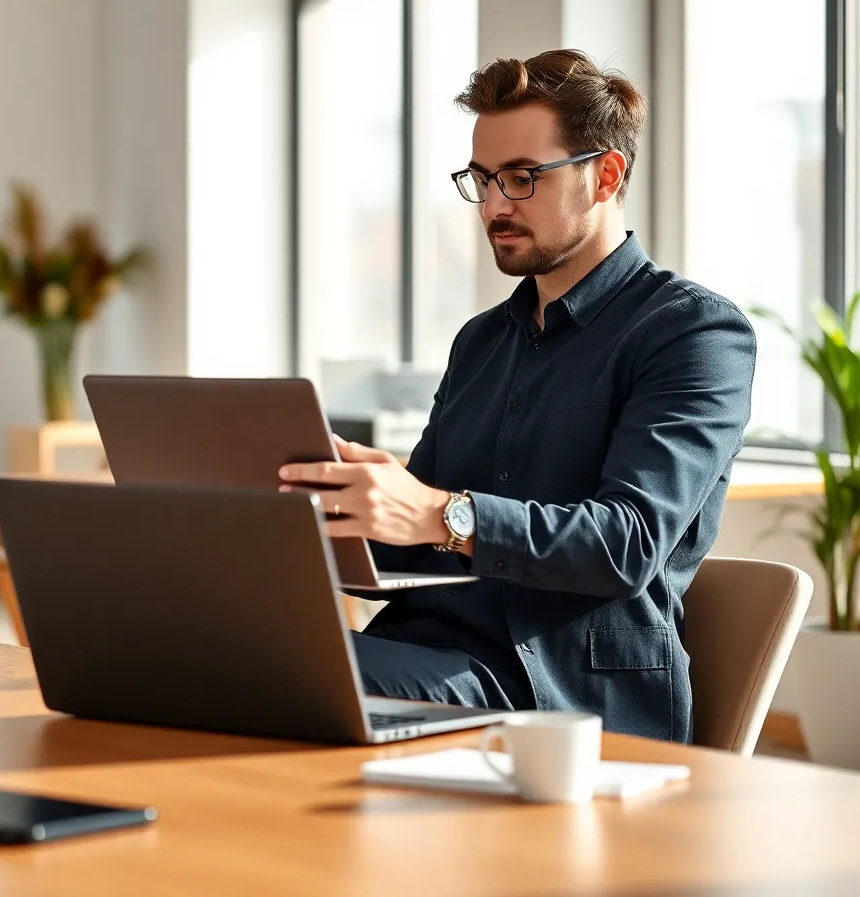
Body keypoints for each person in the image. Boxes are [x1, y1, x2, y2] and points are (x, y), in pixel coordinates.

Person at [278, 49, 756, 743]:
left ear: (605, 176)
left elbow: (625, 544)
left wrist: (444, 516)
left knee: (277, 671)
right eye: (482, 179)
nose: (495, 204)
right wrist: (325, 514)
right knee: (202, 644)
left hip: (558, 689)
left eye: (522, 178)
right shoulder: (481, 341)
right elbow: (413, 545)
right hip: (432, 657)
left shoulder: (693, 332)